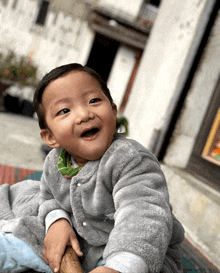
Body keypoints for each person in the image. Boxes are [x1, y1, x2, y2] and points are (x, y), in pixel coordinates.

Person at [32, 63, 185, 273]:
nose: (84, 114)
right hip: (84, 246)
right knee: (25, 232)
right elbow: (48, 196)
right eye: (65, 110)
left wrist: (120, 266)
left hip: (138, 256)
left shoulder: (129, 160)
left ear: (113, 112)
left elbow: (143, 214)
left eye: (94, 101)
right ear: (50, 137)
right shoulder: (54, 163)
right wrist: (56, 221)